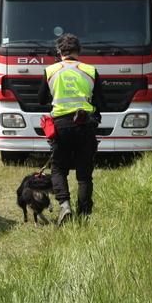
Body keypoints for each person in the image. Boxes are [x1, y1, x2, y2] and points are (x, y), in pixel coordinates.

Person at [37, 33, 106, 224]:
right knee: (84, 173)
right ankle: (84, 215)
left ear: (59, 52)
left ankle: (65, 206)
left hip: (60, 126)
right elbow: (102, 102)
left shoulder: (50, 71)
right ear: (79, 51)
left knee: (58, 168)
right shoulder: (91, 70)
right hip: (85, 125)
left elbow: (41, 99)